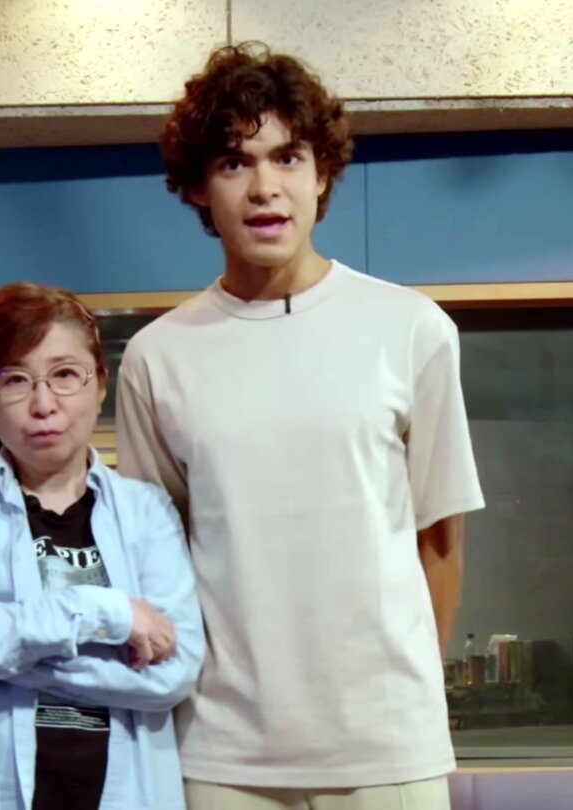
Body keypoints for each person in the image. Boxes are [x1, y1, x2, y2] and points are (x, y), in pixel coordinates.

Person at [116, 43, 485, 809]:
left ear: (322, 174)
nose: (265, 188)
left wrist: (404, 710)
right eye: (234, 163)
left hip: (387, 748)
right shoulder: (158, 357)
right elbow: (156, 562)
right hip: (222, 753)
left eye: (288, 157)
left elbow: (441, 545)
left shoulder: (411, 329)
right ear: (198, 188)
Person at [0, 282, 205, 809]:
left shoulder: (146, 510)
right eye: (14, 380)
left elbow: (173, 674)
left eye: (65, 375)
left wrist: (6, 653)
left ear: (100, 385)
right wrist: (105, 613)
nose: (43, 405)